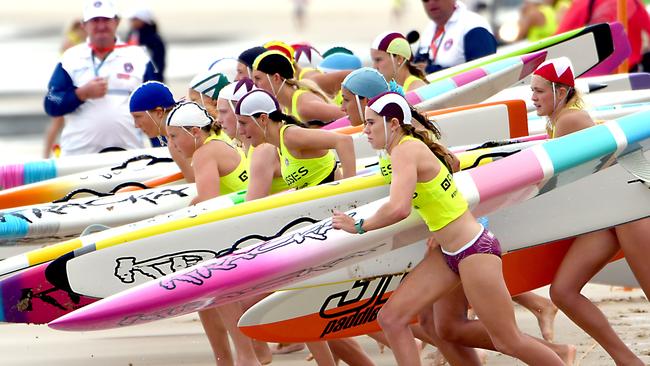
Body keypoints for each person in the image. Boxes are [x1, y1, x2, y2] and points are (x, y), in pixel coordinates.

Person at [332, 91, 566, 366]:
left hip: (474, 250)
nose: (365, 130)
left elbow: (399, 208)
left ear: (393, 124)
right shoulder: (405, 149)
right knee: (392, 319)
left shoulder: (405, 149)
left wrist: (358, 226)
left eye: (371, 123)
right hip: (447, 253)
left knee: (507, 340)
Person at [237, 89, 372, 365]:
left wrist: (350, 192)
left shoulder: (290, 135)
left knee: (304, 306)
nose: (240, 131)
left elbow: (343, 142)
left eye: (243, 123)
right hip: (317, 231)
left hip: (333, 229)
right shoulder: (278, 146)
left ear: (262, 119)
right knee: (305, 309)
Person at [533, 57, 650, 365]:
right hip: (605, 215)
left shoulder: (569, 119)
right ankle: (626, 360)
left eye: (539, 91)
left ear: (560, 92)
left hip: (627, 209)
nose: (533, 98)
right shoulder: (559, 121)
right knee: (563, 291)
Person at [165, 101, 263, 366]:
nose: (172, 144)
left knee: (211, 284)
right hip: (247, 224)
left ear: (195, 132)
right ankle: (237, 356)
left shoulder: (203, 153)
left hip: (241, 232)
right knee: (203, 291)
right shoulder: (220, 140)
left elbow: (209, 204)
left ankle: (246, 356)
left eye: (174, 136)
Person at [43, 0, 161, 156]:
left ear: (117, 22)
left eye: (106, 19)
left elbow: (157, 110)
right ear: (84, 25)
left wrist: (162, 152)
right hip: (77, 157)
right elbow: (51, 102)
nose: (101, 25)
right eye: (95, 20)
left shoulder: (139, 57)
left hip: (129, 156)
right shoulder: (70, 58)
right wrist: (81, 94)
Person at [251, 50, 346, 124]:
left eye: (258, 78)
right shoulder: (286, 106)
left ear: (276, 78)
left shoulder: (304, 106)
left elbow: (349, 117)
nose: (254, 84)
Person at [556, 0, 650, 72]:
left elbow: (559, 39)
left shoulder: (585, 3)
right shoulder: (633, 2)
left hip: (599, 76)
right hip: (629, 73)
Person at [128, 81, 193, 181]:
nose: (136, 125)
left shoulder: (176, 141)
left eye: (138, 117)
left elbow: (196, 183)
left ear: (159, 112)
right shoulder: (189, 120)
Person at [43, 19, 88, 158]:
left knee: (62, 121)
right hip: (64, 86)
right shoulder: (72, 40)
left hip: (68, 85)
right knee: (57, 122)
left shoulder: (78, 39)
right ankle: (45, 155)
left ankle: (51, 152)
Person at [416, 0, 497, 73]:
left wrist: (429, 70)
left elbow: (484, 74)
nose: (431, 2)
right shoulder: (428, 30)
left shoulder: (473, 25)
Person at [126, 5, 166, 81]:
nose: (131, 22)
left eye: (134, 19)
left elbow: (158, 65)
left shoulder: (154, 40)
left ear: (143, 20)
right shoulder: (132, 34)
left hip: (148, 80)